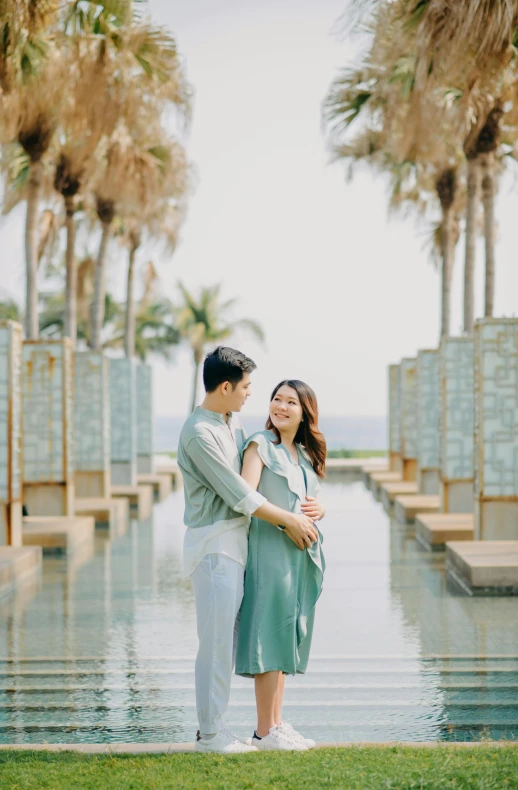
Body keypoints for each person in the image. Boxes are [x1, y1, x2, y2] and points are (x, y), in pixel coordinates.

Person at [177, 348, 318, 754]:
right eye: (246, 387)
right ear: (225, 387)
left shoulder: (229, 420)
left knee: (225, 641)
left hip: (237, 545)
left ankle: (237, 729)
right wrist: (288, 521)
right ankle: (210, 735)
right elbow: (240, 493)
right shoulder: (199, 433)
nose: (250, 395)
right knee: (216, 644)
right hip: (215, 546)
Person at [235, 380, 326, 751]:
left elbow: (309, 501)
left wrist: (321, 510)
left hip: (298, 557)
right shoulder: (260, 445)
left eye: (291, 401)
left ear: (305, 411)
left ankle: (276, 725)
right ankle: (262, 731)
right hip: (269, 553)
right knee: (268, 639)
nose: (281, 406)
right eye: (277, 399)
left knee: (286, 636)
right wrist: (285, 522)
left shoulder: (302, 454)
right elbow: (245, 496)